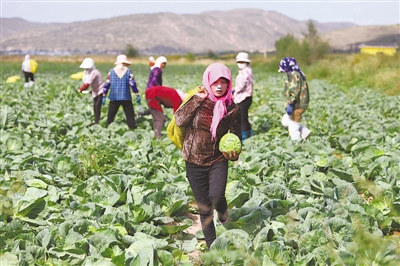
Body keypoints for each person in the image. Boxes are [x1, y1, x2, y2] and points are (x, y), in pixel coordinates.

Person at [174, 63, 241, 249]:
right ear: (208, 82)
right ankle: (213, 248)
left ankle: (224, 214)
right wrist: (196, 100)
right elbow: (179, 119)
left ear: (229, 84)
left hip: (217, 160)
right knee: (204, 209)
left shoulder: (233, 109)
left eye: (224, 82)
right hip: (193, 161)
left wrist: (234, 155)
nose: (219, 86)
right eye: (215, 82)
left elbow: (236, 136)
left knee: (217, 197)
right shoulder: (197, 100)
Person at [103, 54, 141, 129]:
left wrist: (104, 94)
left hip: (114, 97)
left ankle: (107, 129)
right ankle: (132, 129)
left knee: (110, 116)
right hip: (126, 97)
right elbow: (132, 83)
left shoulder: (111, 72)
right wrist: (136, 93)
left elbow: (107, 83)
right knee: (130, 116)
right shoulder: (128, 72)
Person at [278, 57, 311, 140]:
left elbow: (294, 90)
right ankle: (305, 133)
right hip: (297, 103)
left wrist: (290, 103)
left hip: (298, 104)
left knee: (293, 126)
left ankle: (296, 143)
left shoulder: (294, 75)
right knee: (285, 121)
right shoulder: (295, 73)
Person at [232, 52, 254, 141]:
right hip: (248, 97)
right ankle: (250, 133)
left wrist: (233, 90)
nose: (240, 64)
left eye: (242, 62)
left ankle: (244, 137)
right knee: (245, 117)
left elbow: (240, 87)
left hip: (243, 98)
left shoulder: (244, 72)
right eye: (239, 62)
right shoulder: (249, 70)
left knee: (241, 119)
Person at [78, 58, 105, 125]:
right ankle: (96, 121)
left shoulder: (94, 72)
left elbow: (87, 84)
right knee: (95, 107)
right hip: (95, 91)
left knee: (97, 106)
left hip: (100, 90)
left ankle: (97, 121)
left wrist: (81, 89)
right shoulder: (89, 72)